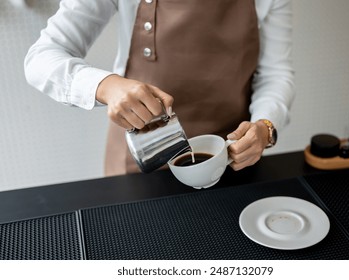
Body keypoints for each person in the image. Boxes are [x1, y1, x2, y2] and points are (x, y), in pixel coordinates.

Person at [24, 0, 295, 176]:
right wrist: (106, 86)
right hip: (140, 158)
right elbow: (41, 58)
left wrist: (265, 127)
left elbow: (275, 72)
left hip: (231, 157)